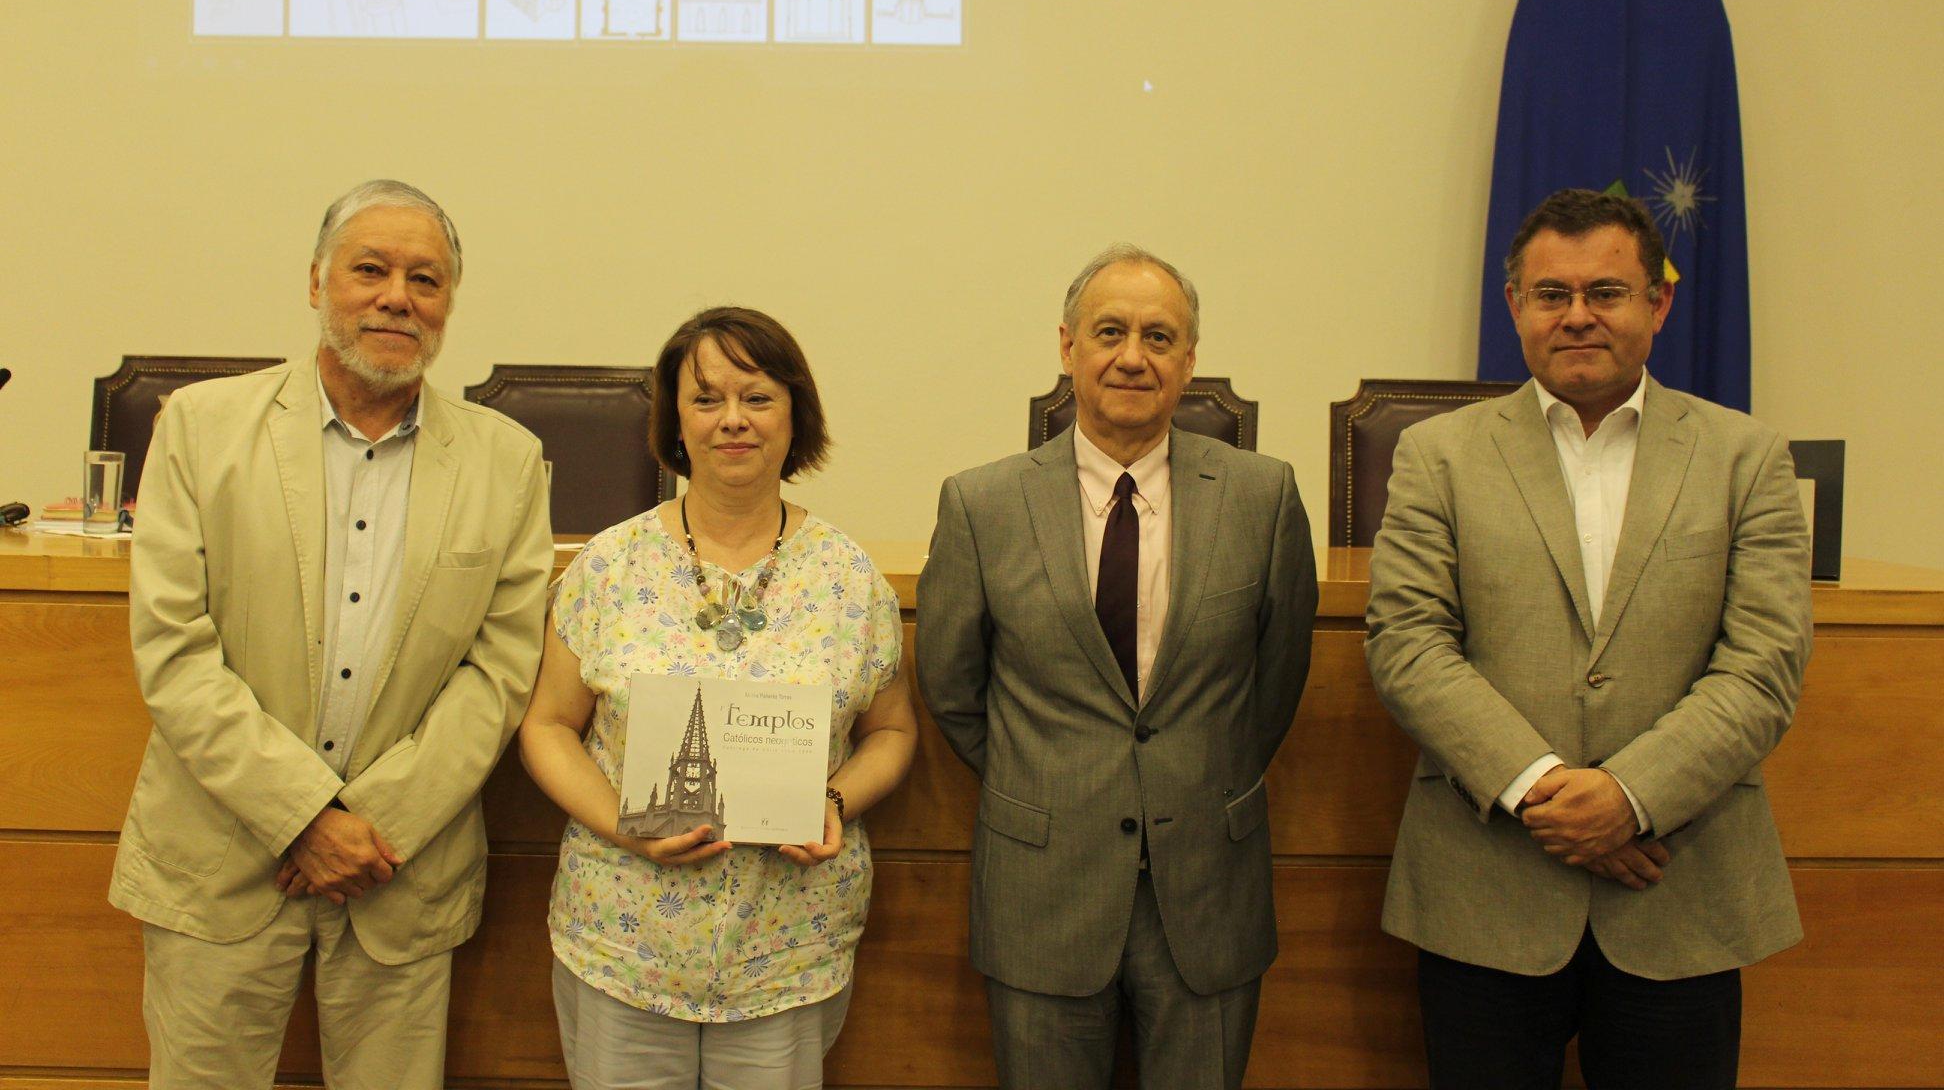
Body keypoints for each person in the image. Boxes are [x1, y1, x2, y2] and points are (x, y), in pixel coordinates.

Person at [1365, 188, 1813, 1090]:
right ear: (1515, 308)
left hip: (1678, 894)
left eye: (1605, 292)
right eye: (1551, 294)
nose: (1577, 316)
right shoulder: (1437, 455)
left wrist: (1632, 796)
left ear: (1659, 303)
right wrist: (1547, 794)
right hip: (1484, 895)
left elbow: (1763, 665)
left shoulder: (1747, 458)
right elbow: (1408, 643)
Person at [111, 179, 554, 1088]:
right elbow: (174, 649)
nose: (398, 295)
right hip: (219, 862)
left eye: (426, 279)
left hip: (401, 870)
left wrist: (371, 826)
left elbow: (501, 670)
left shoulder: (506, 460)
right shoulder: (200, 428)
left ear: (448, 306)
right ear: (317, 283)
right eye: (371, 269)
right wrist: (304, 815)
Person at [917, 244, 1319, 1090]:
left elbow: (1275, 685)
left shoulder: (1264, 497)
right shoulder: (982, 504)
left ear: (1190, 361)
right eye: (1110, 332)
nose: (1133, 356)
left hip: (1209, 888)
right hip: (1044, 888)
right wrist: (1055, 779)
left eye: (1159, 336)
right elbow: (953, 692)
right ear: (1068, 348)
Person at [519, 306, 915, 1090]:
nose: (732, 419)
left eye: (757, 396)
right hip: (622, 945)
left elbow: (893, 731)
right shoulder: (608, 566)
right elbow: (548, 727)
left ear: (794, 414)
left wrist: (835, 800)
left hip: (786, 951)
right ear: (676, 420)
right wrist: (623, 826)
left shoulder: (849, 578)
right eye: (706, 399)